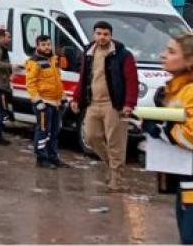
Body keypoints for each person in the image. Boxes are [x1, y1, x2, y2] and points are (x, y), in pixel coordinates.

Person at [71, 20, 138, 193]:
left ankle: (116, 180)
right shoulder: (88, 52)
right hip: (93, 103)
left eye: (106, 34)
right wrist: (76, 98)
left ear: (111, 35)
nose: (102, 37)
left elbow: (132, 81)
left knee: (116, 143)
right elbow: (83, 78)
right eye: (99, 34)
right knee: (91, 137)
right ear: (94, 34)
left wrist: (129, 103)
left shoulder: (122, 55)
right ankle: (113, 166)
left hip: (114, 105)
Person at [144, 34, 193, 243]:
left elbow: (190, 134)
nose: (163, 55)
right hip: (185, 181)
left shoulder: (190, 91)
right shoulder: (177, 89)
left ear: (190, 60)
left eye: (172, 52)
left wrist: (162, 129)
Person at [26, 35, 69, 169]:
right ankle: (41, 158)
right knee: (43, 131)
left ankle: (53, 157)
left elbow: (57, 81)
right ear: (38, 46)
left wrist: (63, 97)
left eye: (48, 44)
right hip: (44, 103)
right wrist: (37, 101)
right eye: (43, 45)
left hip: (56, 102)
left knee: (54, 132)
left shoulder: (53, 60)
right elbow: (31, 83)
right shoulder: (34, 62)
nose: (47, 47)